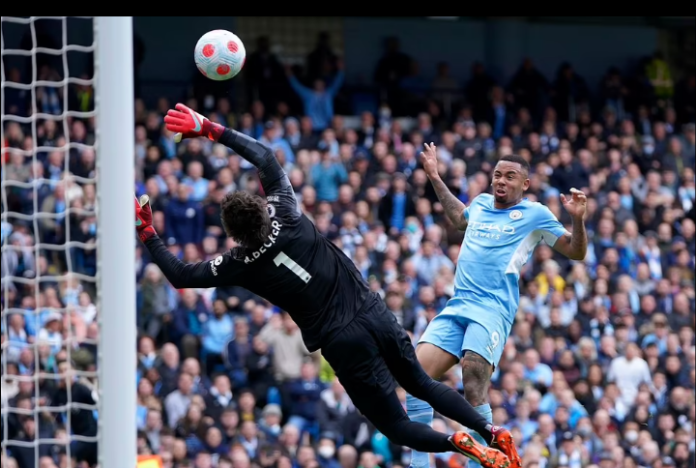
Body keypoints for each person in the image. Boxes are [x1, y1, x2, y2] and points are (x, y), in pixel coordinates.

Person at [134, 103, 518, 468]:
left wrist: (148, 232)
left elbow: (180, 275)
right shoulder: (287, 213)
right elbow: (265, 157)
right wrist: (210, 129)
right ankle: (489, 429)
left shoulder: (238, 263)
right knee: (418, 381)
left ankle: (455, 443)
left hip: (340, 340)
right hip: (373, 311)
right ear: (261, 206)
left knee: (396, 425)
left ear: (234, 234)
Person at [406, 144, 588, 468]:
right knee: (414, 376)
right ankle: (418, 464)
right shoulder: (479, 204)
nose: (500, 181)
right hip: (458, 303)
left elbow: (575, 252)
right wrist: (434, 175)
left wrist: (578, 221)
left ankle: (483, 462)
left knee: (473, 373)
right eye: (497, 175)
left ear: (525, 184)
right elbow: (458, 217)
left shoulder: (536, 215)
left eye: (509, 176)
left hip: (492, 308)